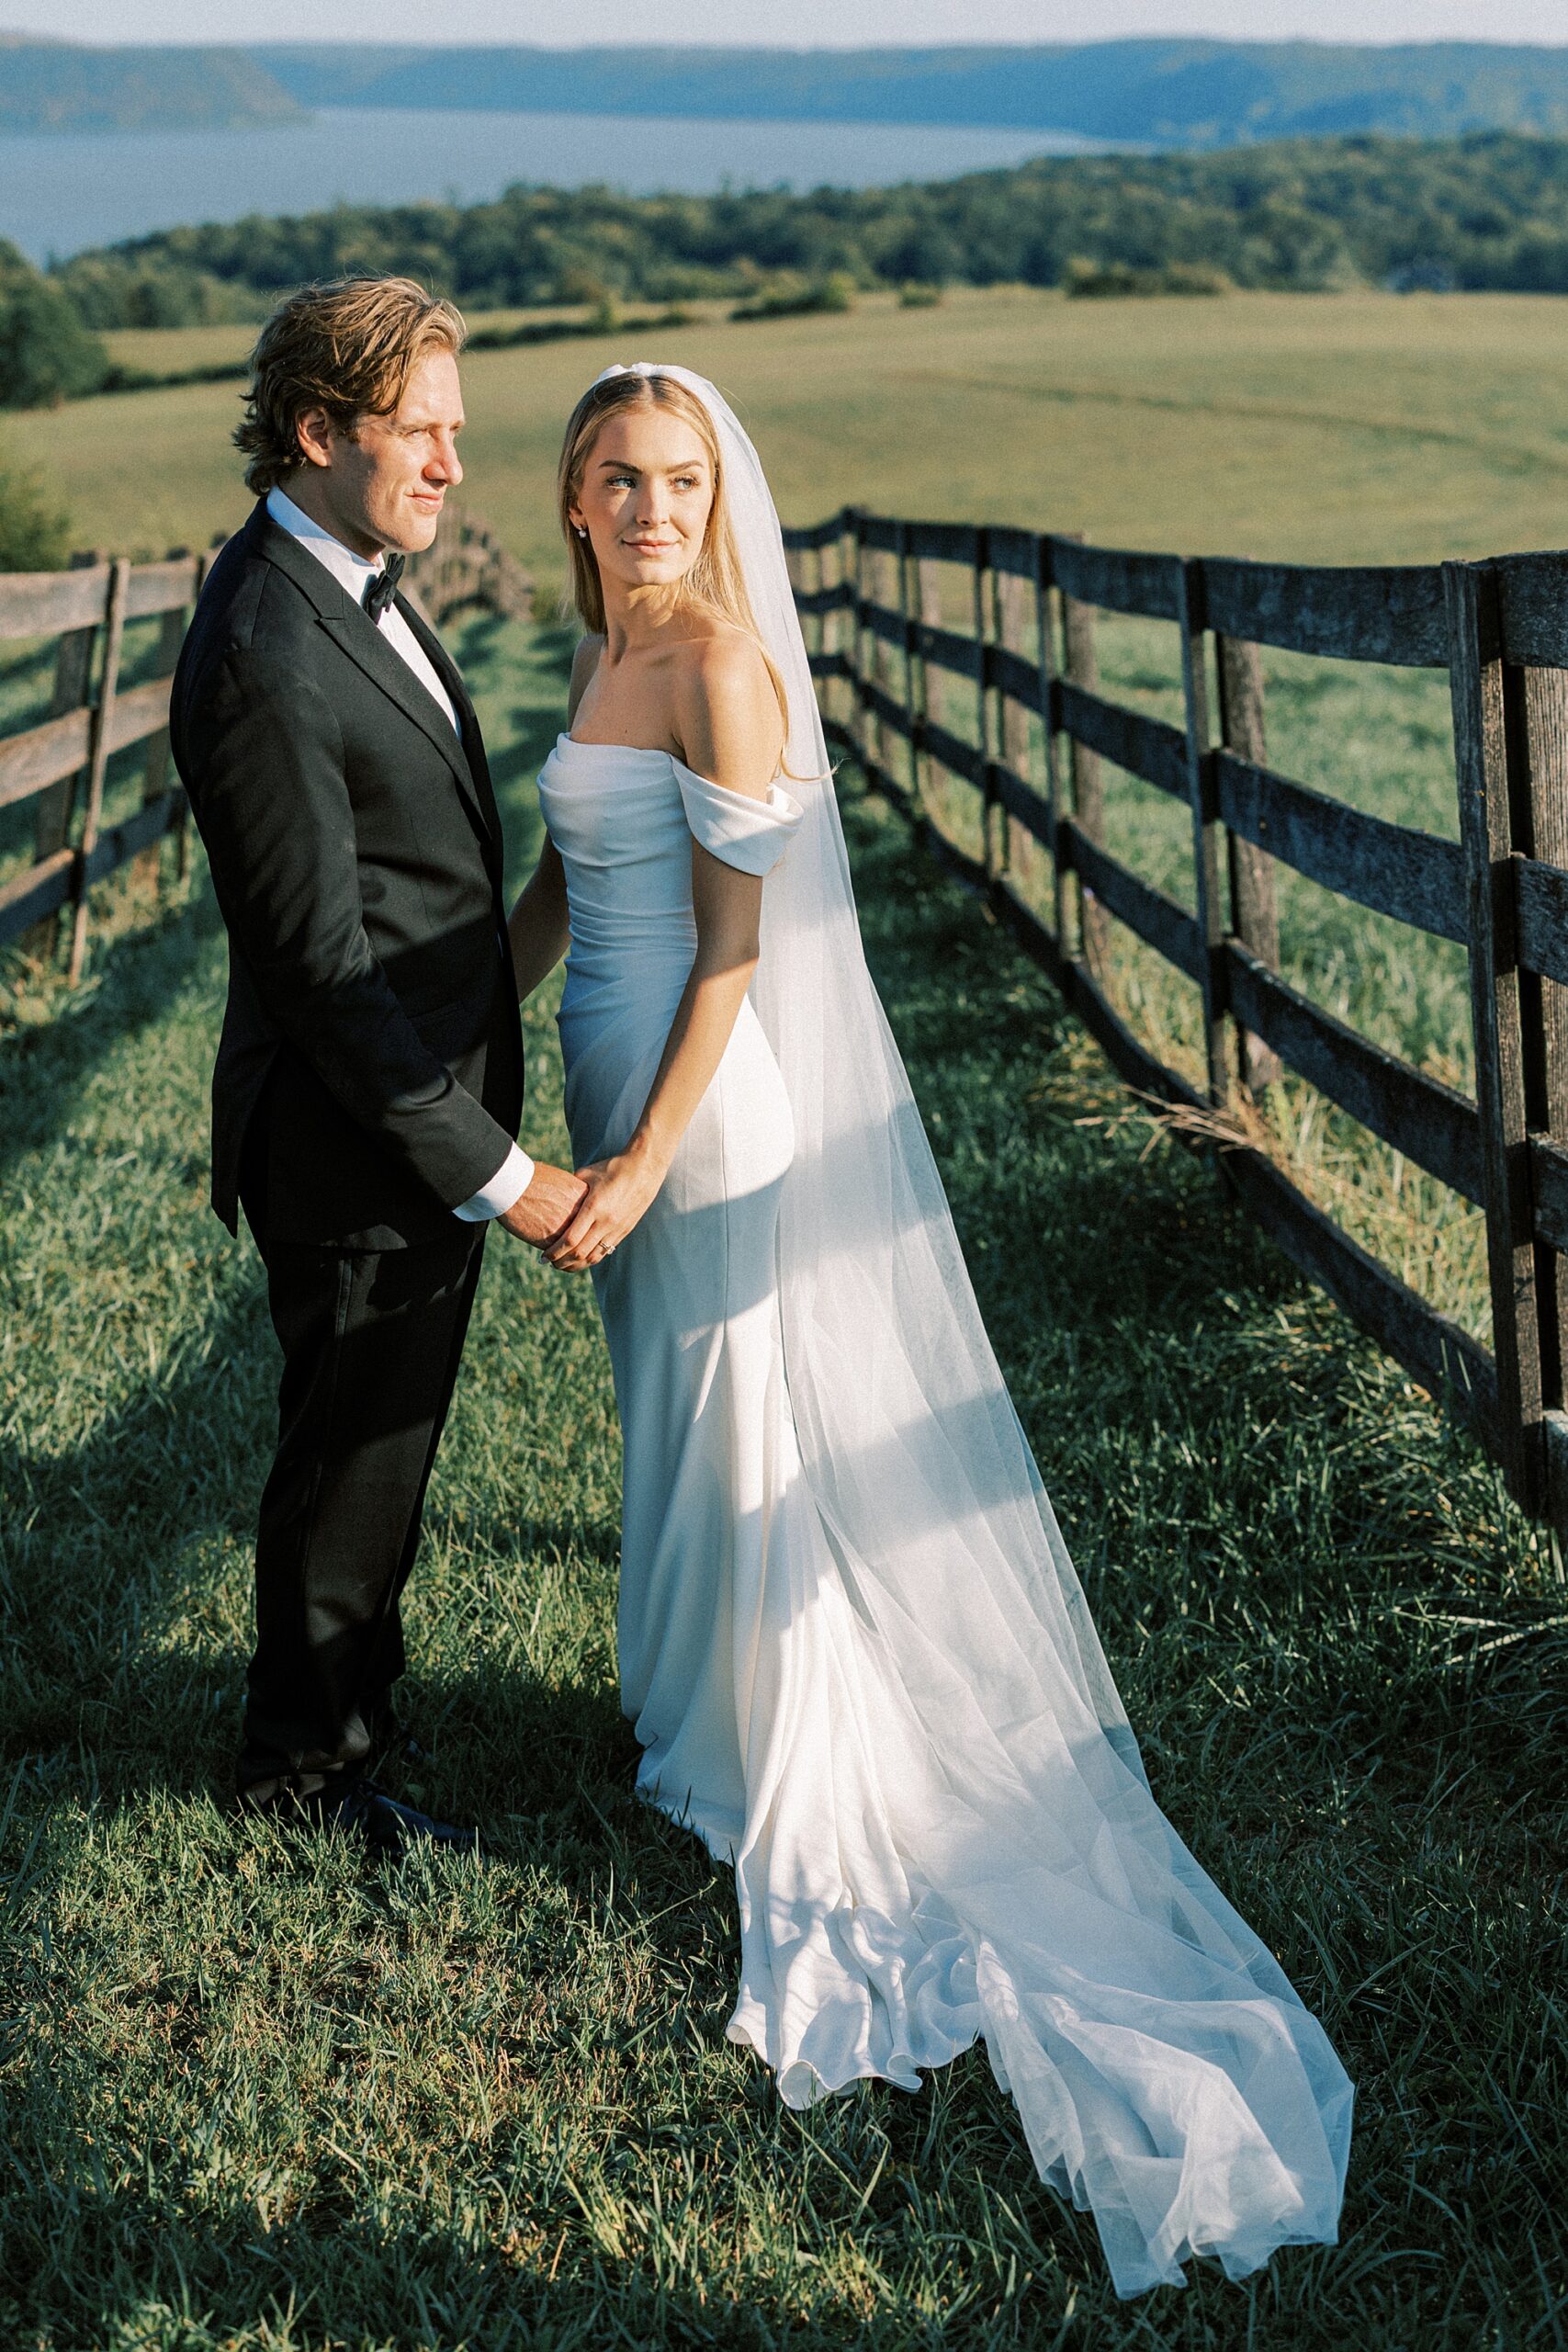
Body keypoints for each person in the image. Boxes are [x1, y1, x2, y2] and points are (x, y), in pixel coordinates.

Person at [508, 361, 1355, 2299]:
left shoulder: (721, 659)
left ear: (714, 494)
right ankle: (695, 1721)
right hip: (602, 1080)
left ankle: (773, 1759)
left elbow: (731, 960)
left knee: (746, 1431)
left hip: (699, 1116)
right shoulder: (603, 653)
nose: (649, 507)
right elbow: (564, 888)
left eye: (677, 478)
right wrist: (440, 1013)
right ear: (571, 498)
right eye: (618, 478)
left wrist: (634, 1159)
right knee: (678, 1422)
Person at [170, 277, 584, 1850]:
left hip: (409, 1118)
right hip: (353, 1142)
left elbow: (422, 893)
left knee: (380, 1453)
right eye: (423, 433)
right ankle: (304, 1785)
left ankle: (344, 1733)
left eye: (457, 433)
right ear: (317, 430)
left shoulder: (355, 577)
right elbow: (325, 978)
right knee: (352, 1469)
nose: (453, 466)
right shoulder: (267, 647)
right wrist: (509, 1177)